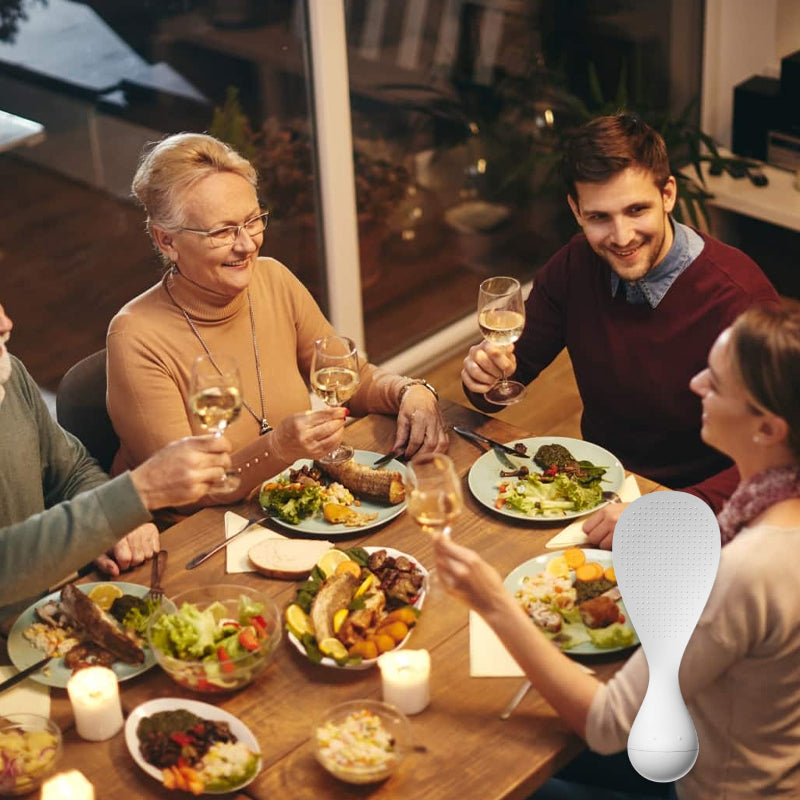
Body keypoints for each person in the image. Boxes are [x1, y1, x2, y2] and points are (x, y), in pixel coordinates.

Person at [437, 298, 800, 799]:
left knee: (473, 779)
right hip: (714, 733)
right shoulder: (770, 509)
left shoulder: (753, 568)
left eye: (714, 383)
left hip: (713, 783)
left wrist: (493, 602)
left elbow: (605, 725)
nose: (696, 385)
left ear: (768, 428)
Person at [461, 112, 778, 546]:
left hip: (704, 512)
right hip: (599, 492)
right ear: (575, 210)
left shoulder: (739, 298)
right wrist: (482, 376)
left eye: (636, 210)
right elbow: (503, 382)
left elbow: (782, 462)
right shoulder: (575, 266)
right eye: (599, 217)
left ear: (668, 194)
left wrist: (664, 513)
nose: (622, 236)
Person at [106, 133, 448, 510]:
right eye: (222, 231)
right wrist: (277, 447)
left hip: (293, 502)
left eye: (253, 221)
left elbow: (352, 379)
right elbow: (187, 492)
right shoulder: (135, 336)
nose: (247, 244)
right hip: (196, 537)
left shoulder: (272, 279)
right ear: (167, 241)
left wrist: (409, 391)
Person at [0, 300, 233, 611]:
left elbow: (73, 473)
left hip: (37, 624)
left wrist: (112, 524)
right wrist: (133, 496)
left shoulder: (9, 375)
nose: (6, 323)